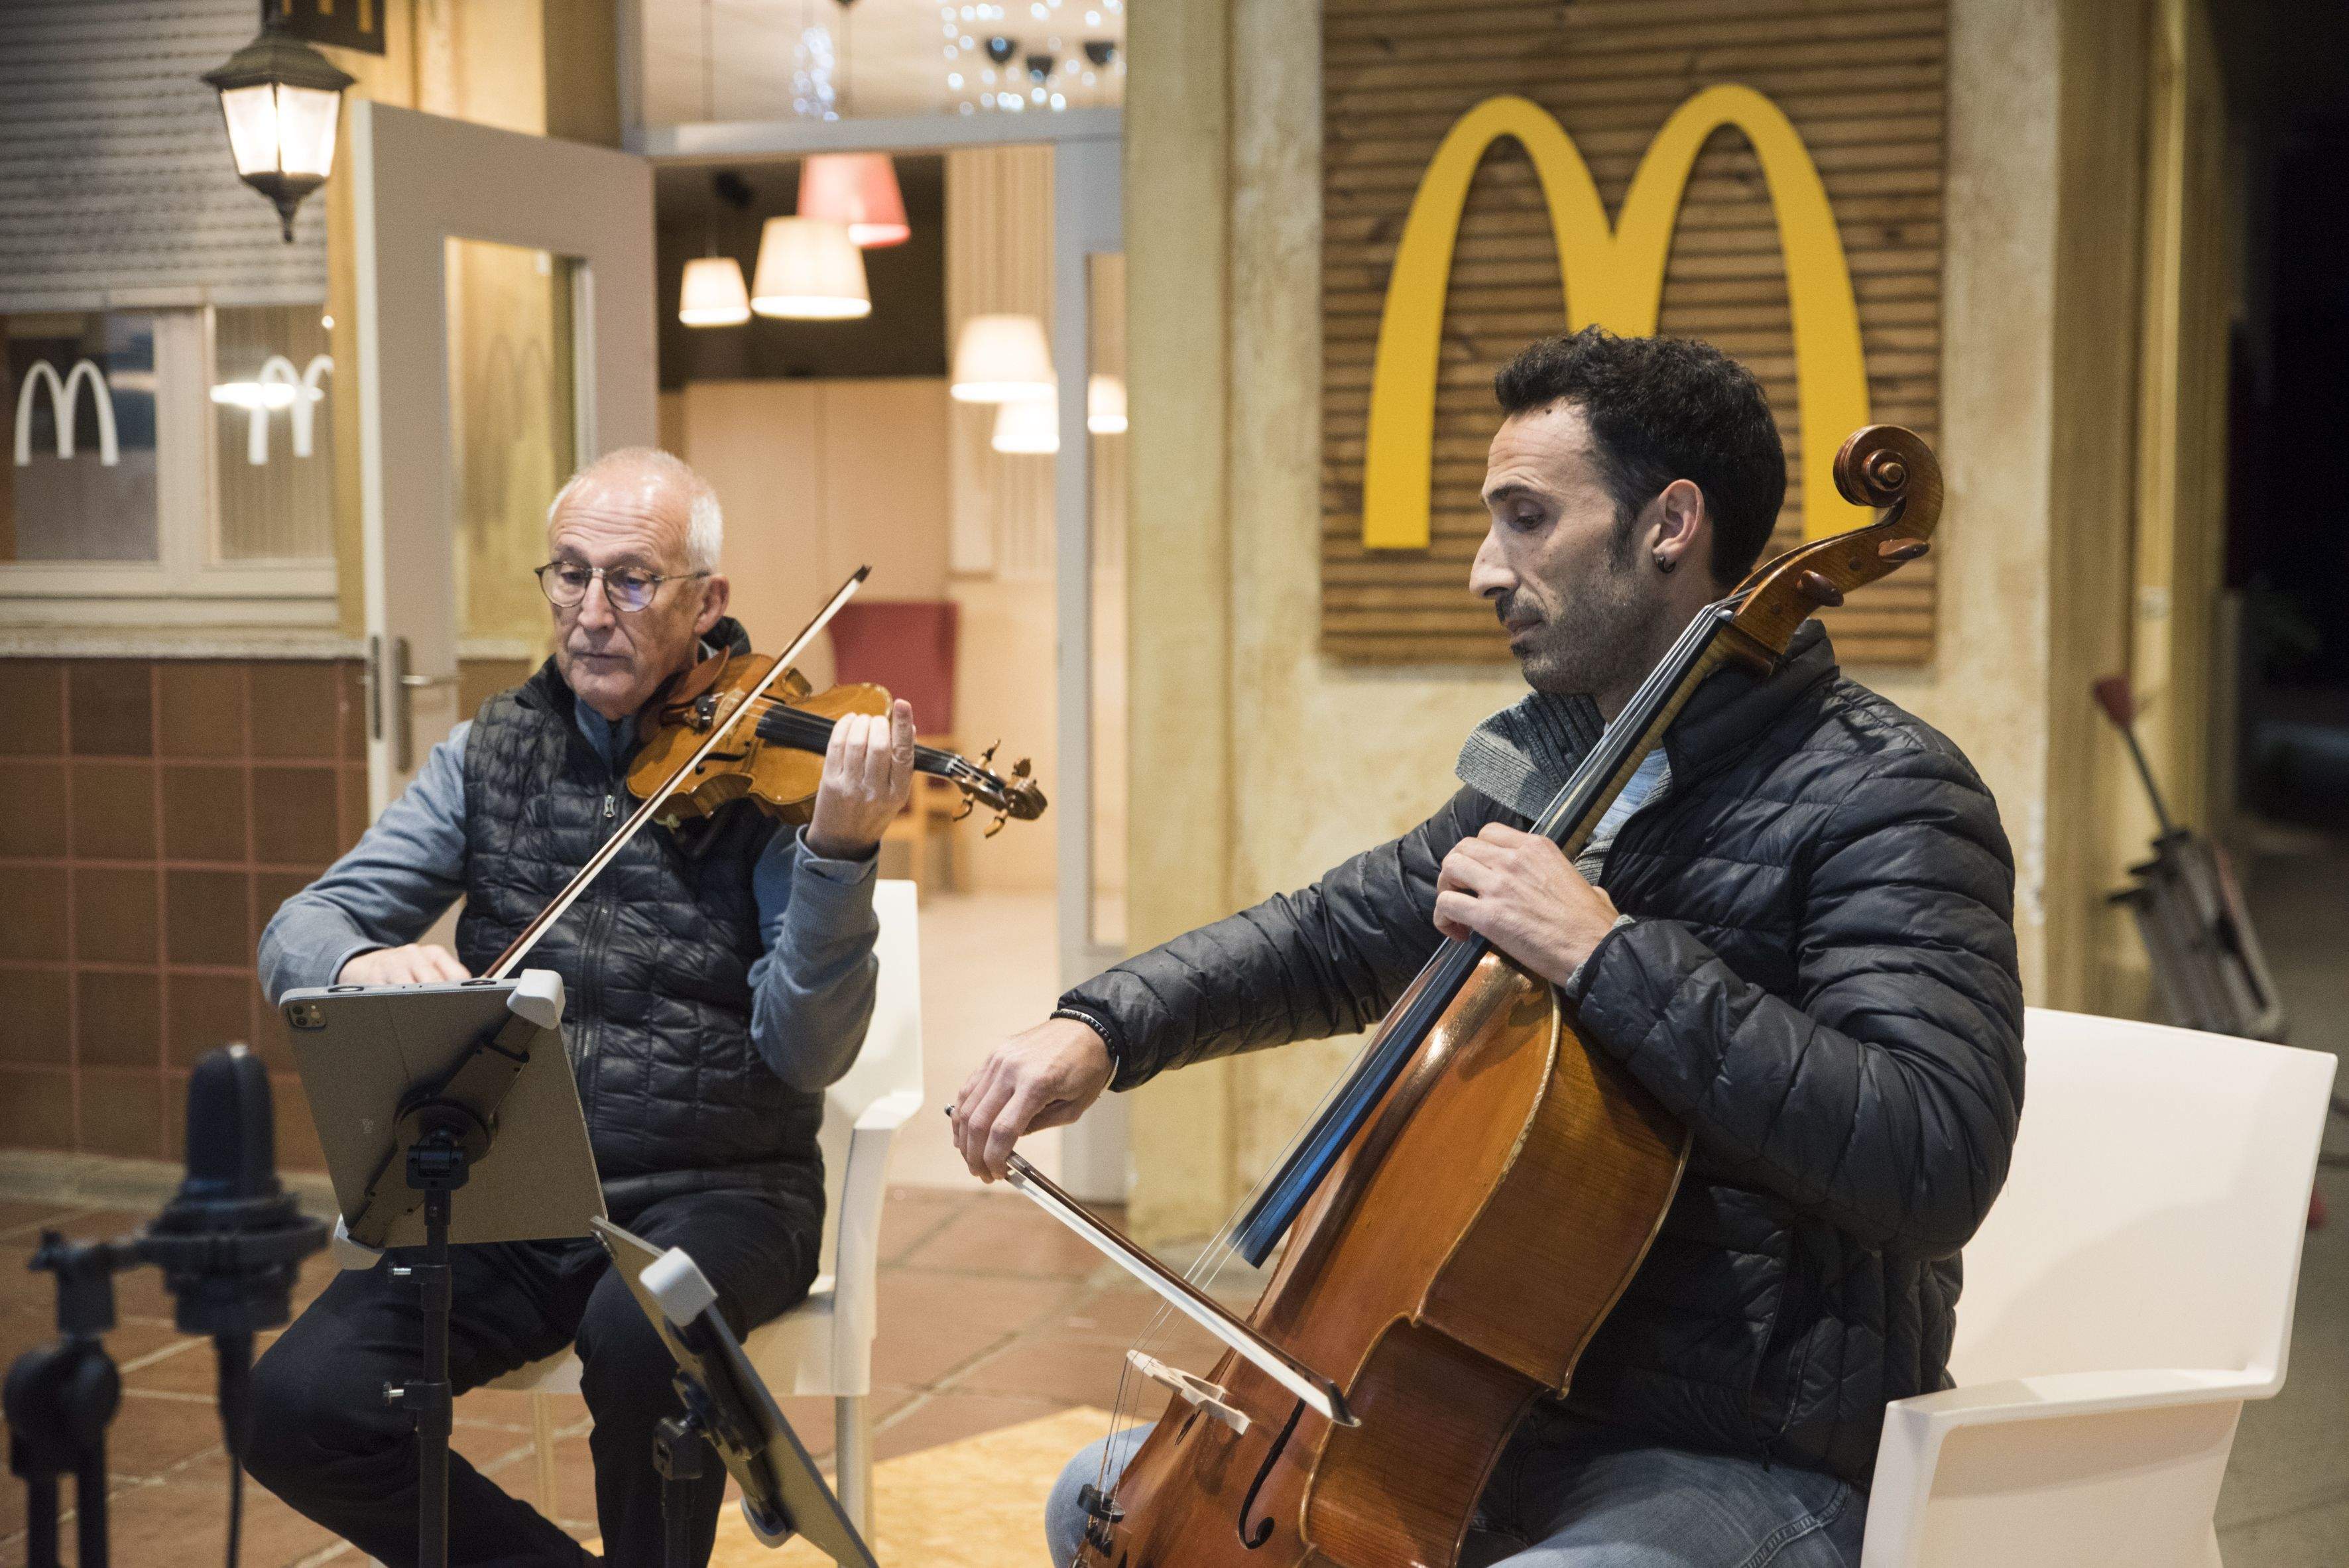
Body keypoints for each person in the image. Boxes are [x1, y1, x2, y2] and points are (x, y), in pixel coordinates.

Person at [953, 329, 2026, 1568]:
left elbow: (1936, 1149)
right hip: (1497, 1411)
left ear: (1669, 524)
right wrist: (1103, 1025)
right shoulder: (1562, 774)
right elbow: (1326, 938)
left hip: (1746, 1450)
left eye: (1526, 518)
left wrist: (1610, 955)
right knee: (1109, 1499)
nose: (1483, 568)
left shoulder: (1887, 794)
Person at [246, 448, 915, 1567]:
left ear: (711, 601)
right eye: (568, 574)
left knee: (640, 1331)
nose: (591, 613)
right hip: (520, 1190)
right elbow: (299, 931)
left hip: (722, 1193)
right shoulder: (490, 753)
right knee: (300, 1401)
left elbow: (805, 1051)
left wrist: (839, 854)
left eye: (632, 580)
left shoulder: (768, 773)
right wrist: (364, 964)